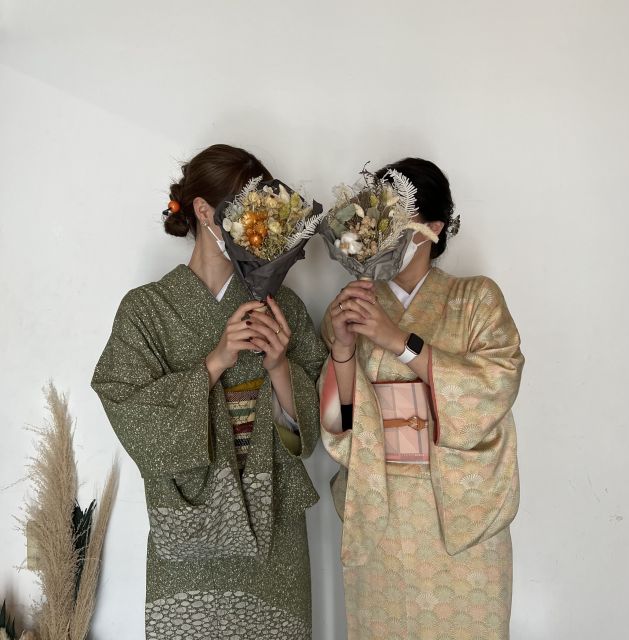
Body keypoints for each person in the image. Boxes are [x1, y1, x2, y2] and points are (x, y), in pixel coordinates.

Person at [91, 144, 326, 639]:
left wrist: (279, 366)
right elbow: (129, 410)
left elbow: (309, 434)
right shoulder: (147, 309)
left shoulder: (281, 305)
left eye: (266, 216)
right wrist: (215, 361)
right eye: (247, 213)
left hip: (272, 522)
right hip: (187, 525)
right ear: (203, 211)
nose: (258, 228)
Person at [319, 157, 524, 640]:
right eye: (378, 222)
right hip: (381, 504)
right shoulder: (355, 304)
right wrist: (342, 351)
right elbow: (341, 421)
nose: (386, 235)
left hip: (459, 511)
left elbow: (496, 385)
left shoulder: (476, 298)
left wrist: (398, 341)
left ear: (432, 229)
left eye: (398, 222)